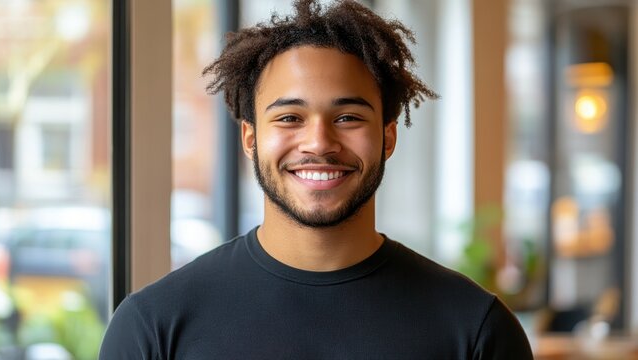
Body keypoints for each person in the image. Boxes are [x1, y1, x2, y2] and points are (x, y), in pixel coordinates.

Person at [99, 0, 534, 358]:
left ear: (388, 136)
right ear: (250, 138)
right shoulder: (154, 327)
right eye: (290, 117)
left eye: (347, 117)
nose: (319, 142)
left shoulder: (476, 330)